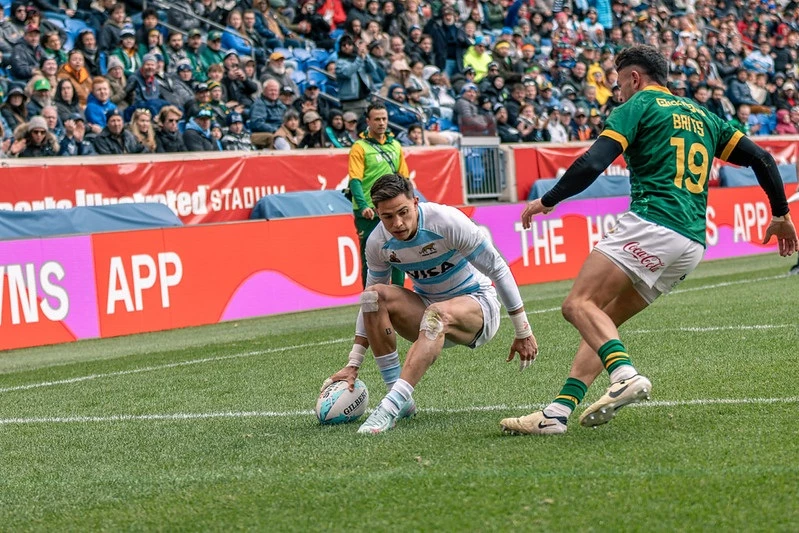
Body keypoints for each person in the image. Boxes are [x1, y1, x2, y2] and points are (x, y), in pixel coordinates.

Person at [500, 45, 798, 436]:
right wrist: (781, 213)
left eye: (619, 82)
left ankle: (624, 375)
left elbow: (592, 162)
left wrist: (547, 200)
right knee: (602, 322)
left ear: (635, 78)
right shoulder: (704, 115)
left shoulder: (638, 105)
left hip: (651, 223)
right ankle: (556, 413)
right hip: (691, 242)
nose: (617, 92)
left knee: (577, 305)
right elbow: (763, 158)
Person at [325, 173, 538, 434]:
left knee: (437, 313)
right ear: (378, 214)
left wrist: (522, 331)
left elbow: (498, 269)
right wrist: (353, 363)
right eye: (387, 217)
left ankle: (389, 409)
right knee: (372, 296)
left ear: (415, 202)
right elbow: (371, 304)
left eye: (403, 212)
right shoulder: (378, 242)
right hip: (426, 310)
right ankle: (400, 399)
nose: (398, 223)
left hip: (476, 307)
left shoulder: (447, 221)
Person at [348, 102, 409, 288]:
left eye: (384, 119)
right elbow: (355, 180)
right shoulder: (359, 147)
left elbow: (404, 178)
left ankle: (398, 295)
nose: (381, 123)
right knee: (369, 256)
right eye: (377, 119)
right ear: (368, 121)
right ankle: (370, 298)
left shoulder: (396, 146)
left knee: (399, 252)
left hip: (393, 209)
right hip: (368, 211)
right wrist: (363, 205)